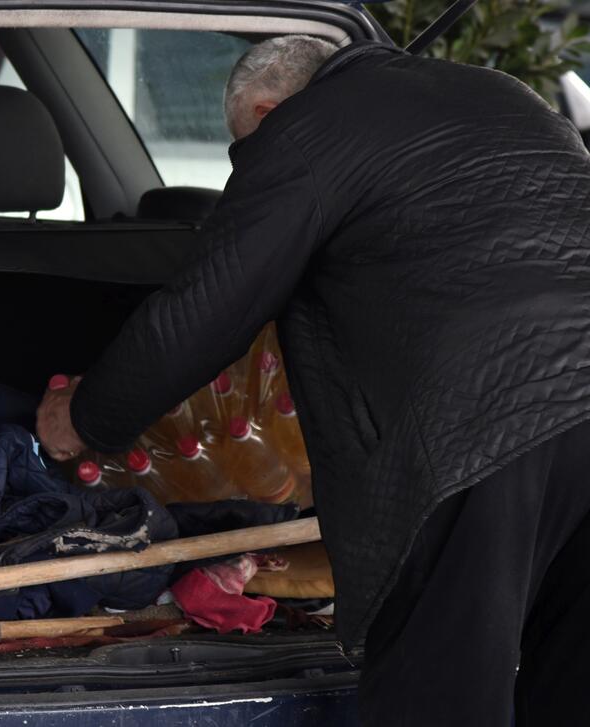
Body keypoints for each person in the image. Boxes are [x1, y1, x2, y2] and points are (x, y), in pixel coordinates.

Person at [36, 35, 590, 725]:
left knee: (442, 693)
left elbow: (205, 311)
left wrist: (85, 416)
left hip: (479, 435)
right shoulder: (502, 94)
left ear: (268, 113)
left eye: (246, 153)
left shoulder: (305, 128)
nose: (250, 169)